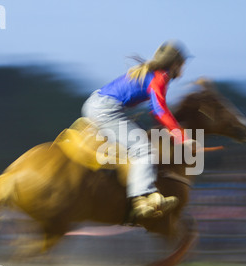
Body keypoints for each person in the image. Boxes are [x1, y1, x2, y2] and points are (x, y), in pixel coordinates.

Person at [81, 40, 190, 221]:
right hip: (105, 110)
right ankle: (141, 199)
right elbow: (159, 110)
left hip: (96, 104)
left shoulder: (150, 73)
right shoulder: (160, 77)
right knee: (143, 149)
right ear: (176, 64)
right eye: (183, 65)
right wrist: (181, 136)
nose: (183, 70)